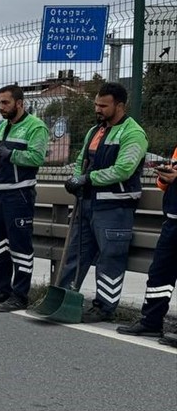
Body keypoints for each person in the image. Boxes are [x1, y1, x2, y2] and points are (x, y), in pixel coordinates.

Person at [58, 82, 149, 323]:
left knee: (111, 258)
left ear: (120, 105)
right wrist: (76, 179)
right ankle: (65, 299)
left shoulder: (133, 133)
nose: (98, 109)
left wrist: (87, 179)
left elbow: (123, 169)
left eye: (103, 105)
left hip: (115, 208)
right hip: (87, 204)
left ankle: (104, 307)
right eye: (96, 104)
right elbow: (82, 160)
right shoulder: (94, 131)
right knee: (75, 255)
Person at [0, 84, 49, 312]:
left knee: (20, 247)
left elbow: (37, 157)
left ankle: (20, 295)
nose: (1, 107)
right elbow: (4, 157)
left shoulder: (36, 127)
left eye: (5, 102)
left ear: (19, 103)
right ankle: (2, 291)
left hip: (19, 194)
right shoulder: (3, 127)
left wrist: (10, 154)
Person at [116, 146, 177, 346]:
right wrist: (165, 177)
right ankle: (151, 322)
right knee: (160, 274)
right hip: (172, 221)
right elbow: (166, 185)